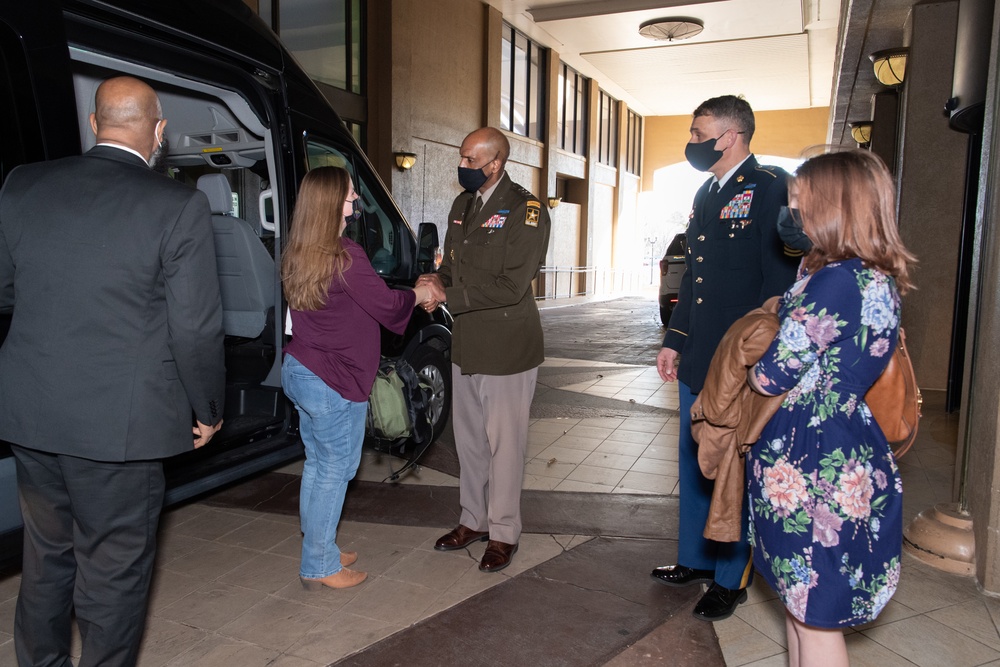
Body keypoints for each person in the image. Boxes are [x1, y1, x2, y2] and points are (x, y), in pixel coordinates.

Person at [0, 76, 225, 666]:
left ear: (95, 123)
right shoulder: (177, 204)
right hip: (119, 431)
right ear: (158, 133)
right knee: (113, 573)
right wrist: (206, 410)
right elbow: (196, 329)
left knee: (46, 558)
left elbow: (5, 290)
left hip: (32, 415)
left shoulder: (23, 185)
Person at [746, 150, 914, 666]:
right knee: (805, 608)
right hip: (848, 439)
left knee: (814, 615)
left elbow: (773, 372)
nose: (793, 214)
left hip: (809, 452)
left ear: (833, 205)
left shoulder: (834, 281)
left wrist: (751, 359)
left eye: (801, 203)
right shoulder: (875, 276)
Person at [651, 95, 800, 621]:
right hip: (699, 355)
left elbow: (778, 287)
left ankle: (729, 575)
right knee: (695, 457)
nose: (691, 142)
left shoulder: (770, 187)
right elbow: (695, 277)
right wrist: (675, 339)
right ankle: (693, 558)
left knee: (733, 465)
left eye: (698, 134)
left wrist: (762, 362)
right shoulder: (706, 190)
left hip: (737, 361)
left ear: (730, 136)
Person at [281, 166, 432, 590]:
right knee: (335, 469)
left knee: (318, 466)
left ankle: (320, 545)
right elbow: (385, 304)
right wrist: (422, 293)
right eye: (350, 196)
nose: (355, 204)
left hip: (302, 370)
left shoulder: (299, 251)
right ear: (331, 203)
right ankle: (321, 564)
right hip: (332, 379)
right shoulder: (345, 255)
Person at [418, 127, 550, 573]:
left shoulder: (526, 210)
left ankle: (503, 532)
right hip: (468, 341)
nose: (463, 167)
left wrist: (448, 296)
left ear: (496, 164)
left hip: (507, 345)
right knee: (469, 441)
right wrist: (435, 283)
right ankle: (472, 520)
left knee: (505, 445)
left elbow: (512, 285)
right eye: (462, 158)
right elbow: (452, 267)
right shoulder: (462, 206)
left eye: (472, 161)